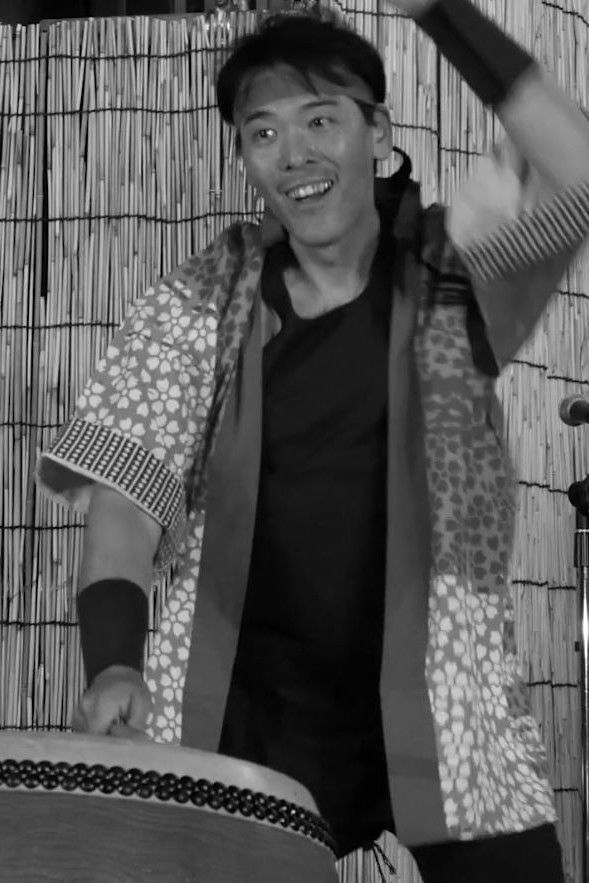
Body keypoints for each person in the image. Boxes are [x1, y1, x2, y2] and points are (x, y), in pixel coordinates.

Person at [36, 0, 589, 880]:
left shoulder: (451, 270)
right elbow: (125, 501)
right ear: (245, 158)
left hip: (446, 697)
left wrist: (441, 13)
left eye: (321, 120)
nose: (293, 154)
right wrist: (112, 664)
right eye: (263, 132)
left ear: (377, 133)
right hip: (245, 705)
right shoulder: (202, 301)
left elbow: (578, 167)